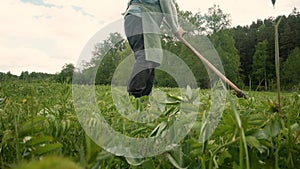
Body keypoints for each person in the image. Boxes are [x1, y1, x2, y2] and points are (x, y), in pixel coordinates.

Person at [123, 0, 185, 98]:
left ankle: (144, 98)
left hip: (133, 19)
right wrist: (176, 28)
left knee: (151, 58)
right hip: (143, 19)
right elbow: (168, 6)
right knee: (146, 58)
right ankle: (135, 95)